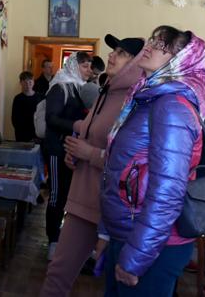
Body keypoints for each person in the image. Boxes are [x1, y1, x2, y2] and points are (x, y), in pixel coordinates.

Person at [100, 26, 205, 295]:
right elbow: (118, 168)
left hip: (153, 245)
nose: (150, 46)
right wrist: (106, 230)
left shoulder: (172, 105)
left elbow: (167, 191)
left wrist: (135, 258)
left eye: (164, 46)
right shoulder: (146, 98)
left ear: (183, 59)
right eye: (153, 40)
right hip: (131, 232)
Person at [39, 35, 144, 296]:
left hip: (115, 208)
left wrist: (90, 154)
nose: (111, 55)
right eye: (114, 50)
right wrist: (75, 154)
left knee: (116, 287)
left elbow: (138, 164)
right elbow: (88, 132)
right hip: (82, 200)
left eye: (121, 53)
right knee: (57, 275)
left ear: (137, 62)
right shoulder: (104, 92)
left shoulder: (137, 99)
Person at [44, 51, 92, 260]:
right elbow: (51, 118)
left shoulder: (81, 88)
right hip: (57, 149)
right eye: (85, 66)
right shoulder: (60, 87)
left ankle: (64, 238)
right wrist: (76, 125)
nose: (89, 70)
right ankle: (53, 241)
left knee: (69, 195)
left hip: (73, 150)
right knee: (57, 195)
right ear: (73, 66)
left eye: (90, 66)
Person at [12, 71, 42, 142]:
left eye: (30, 82)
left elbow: (42, 117)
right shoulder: (18, 99)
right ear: (21, 83)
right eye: (25, 82)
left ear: (33, 82)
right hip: (22, 136)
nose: (28, 85)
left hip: (37, 135)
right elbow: (15, 119)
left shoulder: (40, 98)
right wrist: (25, 135)